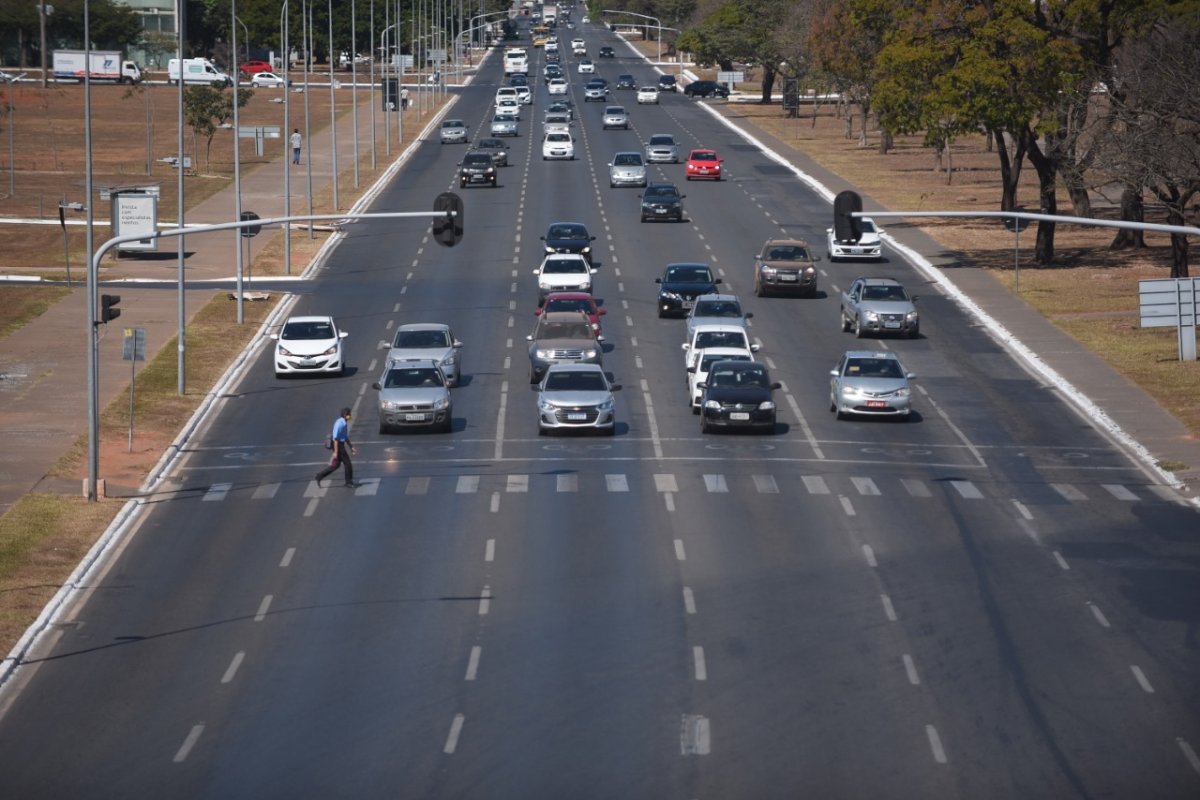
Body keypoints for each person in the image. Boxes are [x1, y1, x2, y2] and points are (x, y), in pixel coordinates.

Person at [315, 407, 357, 487]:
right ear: (345, 415)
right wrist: (336, 452)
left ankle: (319, 476)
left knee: (336, 465)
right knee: (348, 464)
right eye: (349, 415)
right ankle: (349, 482)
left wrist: (351, 447)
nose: (350, 416)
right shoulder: (339, 424)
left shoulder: (344, 423)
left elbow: (345, 437)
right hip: (338, 446)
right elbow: (335, 439)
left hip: (340, 445)